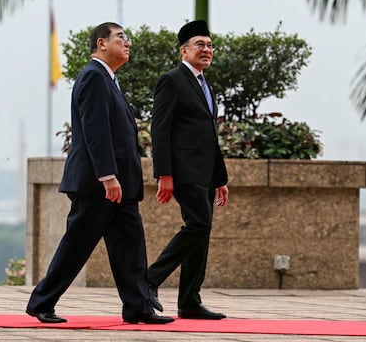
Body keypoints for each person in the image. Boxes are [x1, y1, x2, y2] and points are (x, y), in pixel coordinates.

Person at [26, 22, 173, 325]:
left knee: (131, 247)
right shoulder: (94, 76)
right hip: (99, 184)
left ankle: (138, 308)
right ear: (101, 43)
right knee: (77, 246)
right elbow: (95, 130)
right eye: (121, 37)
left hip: (122, 185)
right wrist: (107, 176)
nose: (128, 42)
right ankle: (42, 303)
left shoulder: (109, 79)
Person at [147, 19, 229, 320]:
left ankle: (190, 301)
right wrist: (164, 175)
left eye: (209, 45)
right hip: (183, 172)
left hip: (206, 173)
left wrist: (220, 178)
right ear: (184, 50)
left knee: (202, 232)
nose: (206, 50)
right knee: (199, 225)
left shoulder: (206, 85)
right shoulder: (172, 80)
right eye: (199, 45)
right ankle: (149, 279)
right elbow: (161, 130)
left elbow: (210, 135)